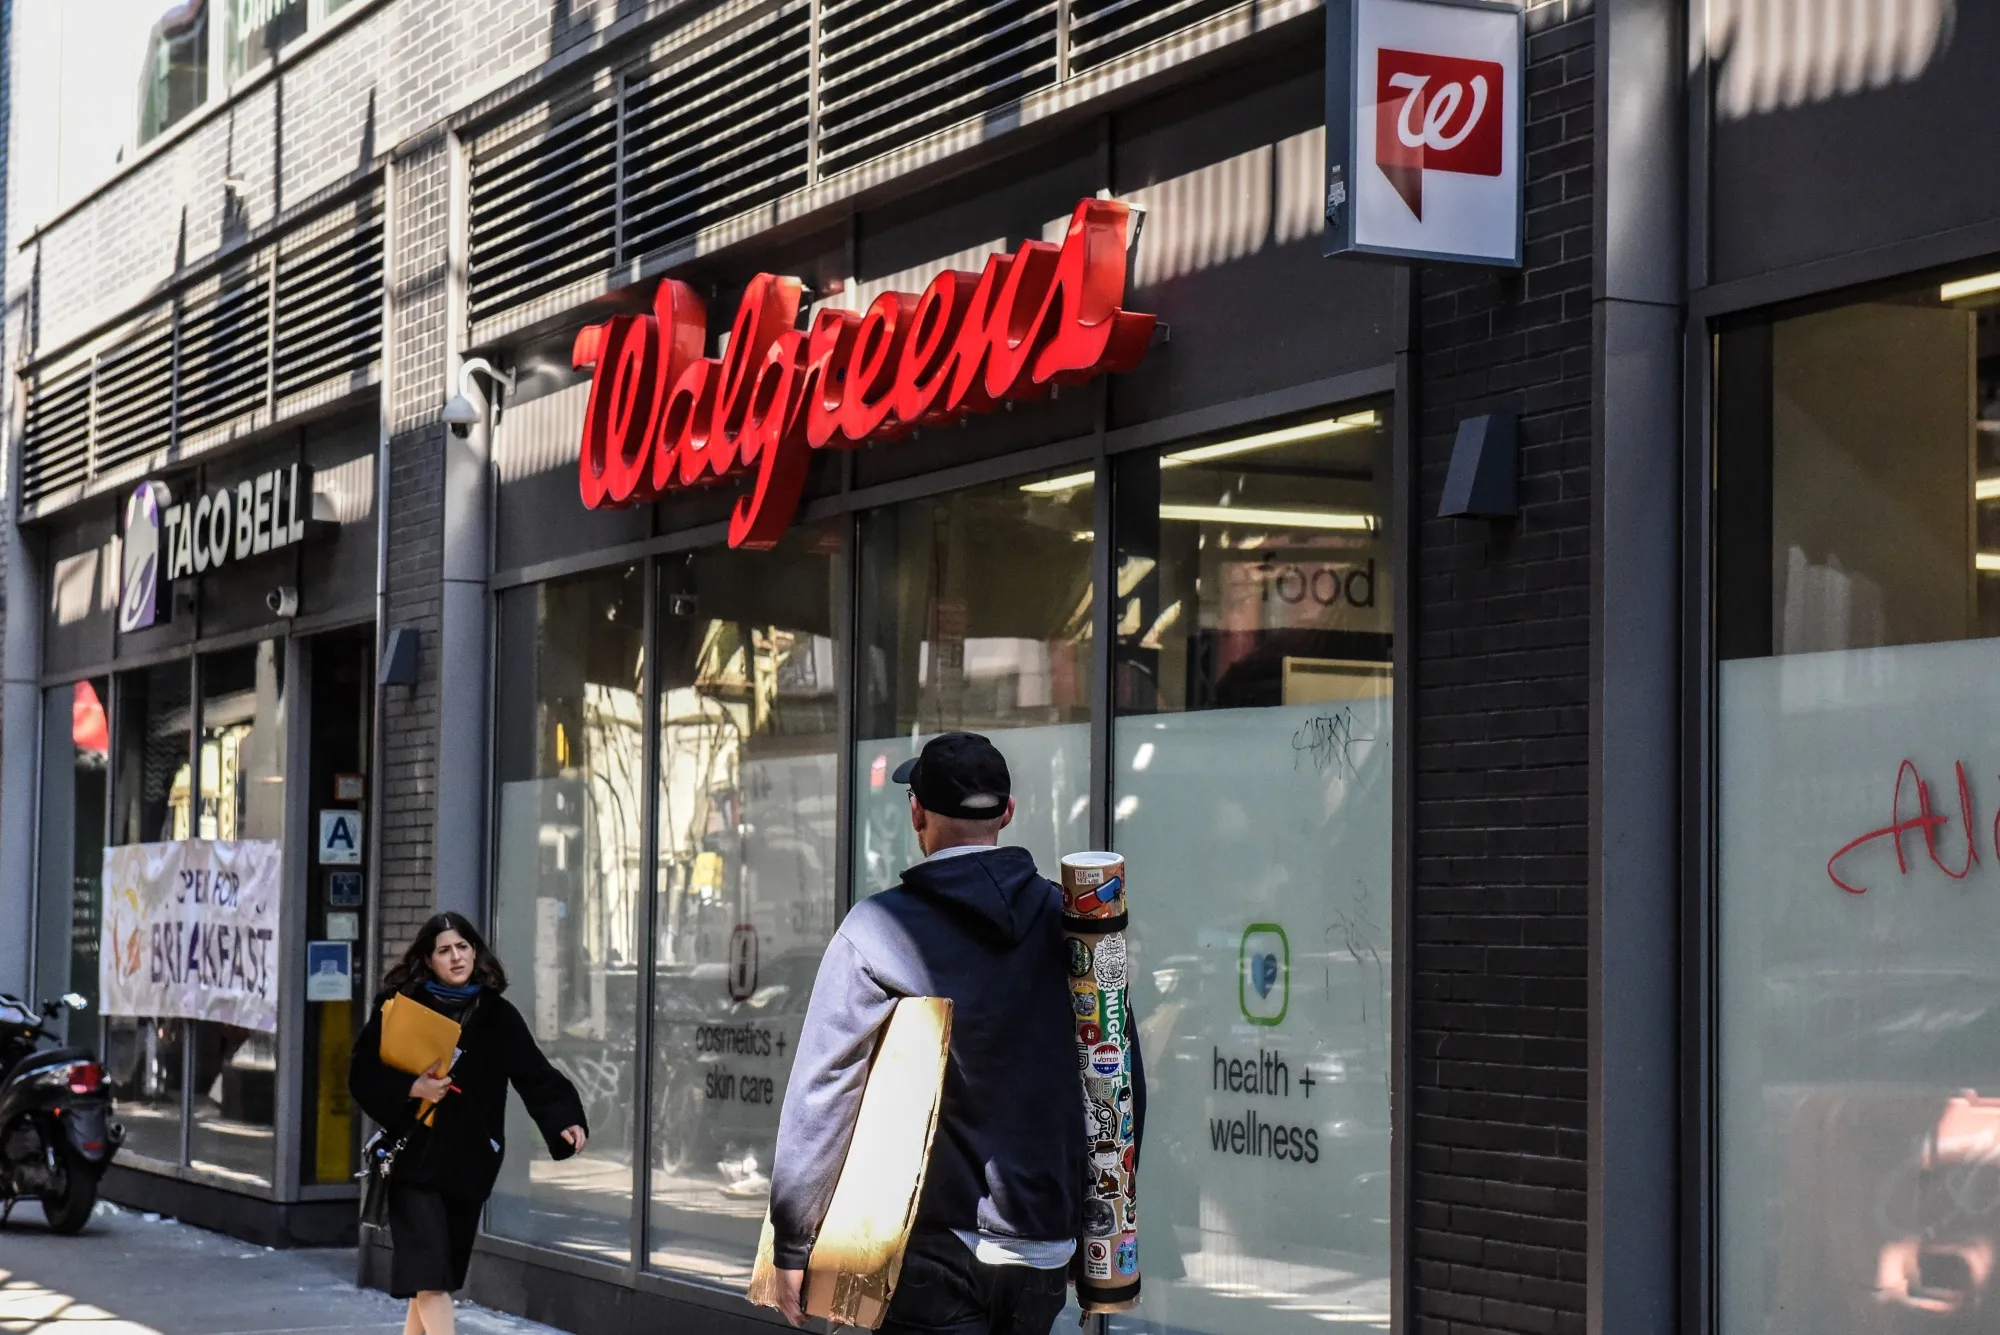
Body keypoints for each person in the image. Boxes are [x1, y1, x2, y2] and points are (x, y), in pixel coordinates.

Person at [768, 732, 1142, 1334]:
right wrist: (1099, 1230)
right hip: (1043, 1248)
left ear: (917, 812)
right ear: (1007, 813)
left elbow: (826, 1086)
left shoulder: (879, 929)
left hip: (929, 1245)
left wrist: (794, 1239)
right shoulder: (1075, 926)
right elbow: (1117, 1078)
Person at [349, 912, 588, 1335]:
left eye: (462, 947)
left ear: (475, 952)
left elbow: (533, 1073)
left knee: (434, 1279)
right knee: (430, 1278)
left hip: (469, 1163)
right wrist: (414, 1088)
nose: (456, 957)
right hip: (414, 1159)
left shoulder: (497, 1014)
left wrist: (563, 1119)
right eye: (444, 950)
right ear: (428, 959)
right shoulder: (399, 1008)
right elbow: (362, 1074)